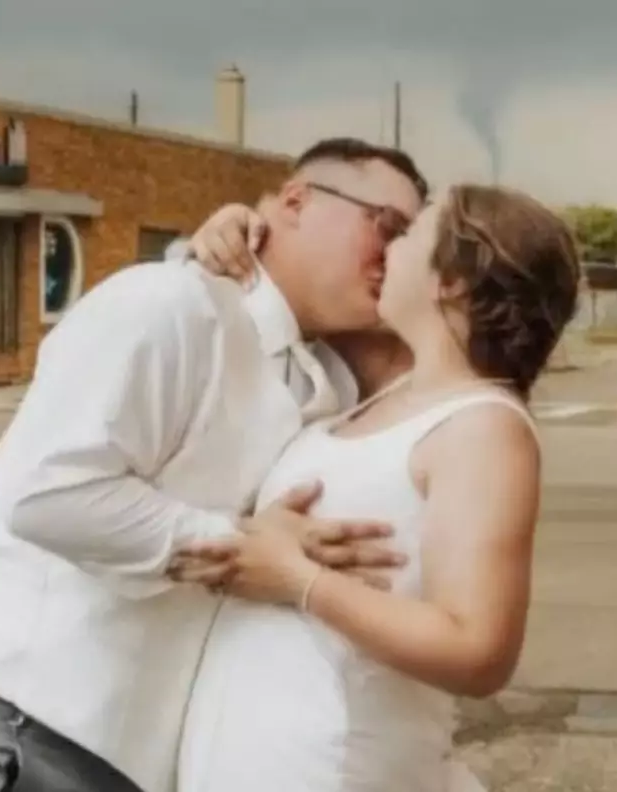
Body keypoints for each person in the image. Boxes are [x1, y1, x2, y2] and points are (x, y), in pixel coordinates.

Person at [0, 137, 428, 792]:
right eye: (387, 227)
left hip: (132, 754)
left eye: (414, 243)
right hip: (30, 722)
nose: (395, 255)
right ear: (295, 202)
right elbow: (46, 495)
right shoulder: (166, 305)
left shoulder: (325, 374)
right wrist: (243, 547)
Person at [170, 183, 581, 792]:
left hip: (336, 766)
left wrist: (299, 580)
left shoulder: (483, 428)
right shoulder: (383, 388)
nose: (387, 245)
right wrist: (234, 232)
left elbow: (479, 651)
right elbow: (282, 295)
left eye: (409, 232)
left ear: (452, 282)